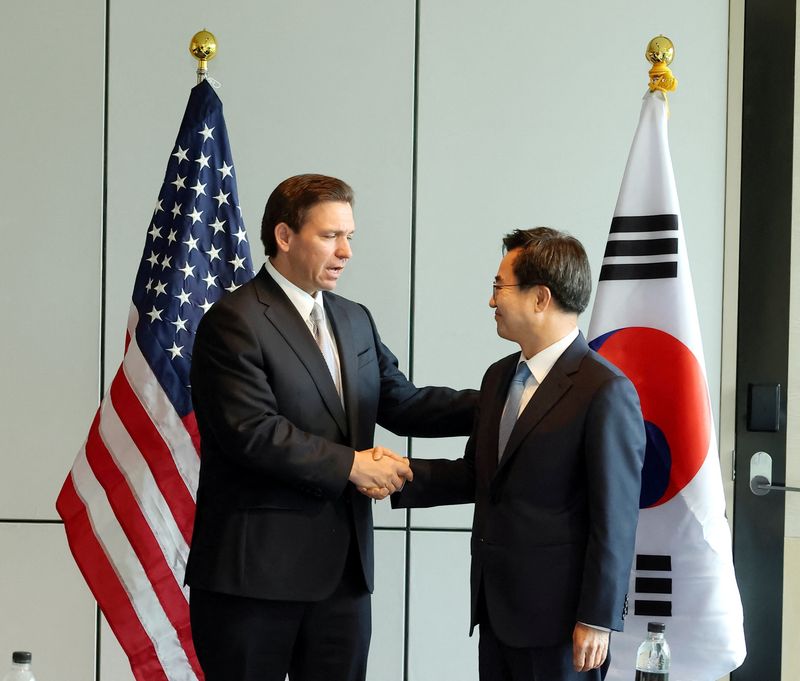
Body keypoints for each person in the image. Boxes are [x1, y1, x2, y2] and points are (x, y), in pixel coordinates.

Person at [185, 173, 477, 681]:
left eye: (350, 237)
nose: (345, 251)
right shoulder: (233, 320)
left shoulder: (354, 318)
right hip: (254, 582)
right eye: (330, 236)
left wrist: (506, 400)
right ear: (284, 236)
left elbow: (401, 402)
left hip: (343, 580)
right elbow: (251, 431)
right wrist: (352, 466)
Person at [388, 227, 645, 680]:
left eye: (499, 288)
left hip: (562, 623)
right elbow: (482, 475)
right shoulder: (499, 376)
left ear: (540, 297)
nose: (492, 301)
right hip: (496, 610)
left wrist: (597, 617)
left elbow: (616, 520)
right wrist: (400, 473)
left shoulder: (603, 390)